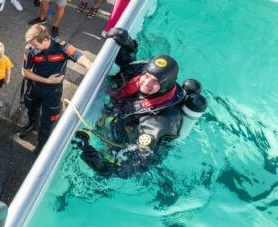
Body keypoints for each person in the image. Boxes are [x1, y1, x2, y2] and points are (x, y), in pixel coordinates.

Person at [74, 30, 204, 176]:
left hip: (131, 135)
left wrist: (103, 167)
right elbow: (128, 66)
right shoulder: (143, 71)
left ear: (165, 85)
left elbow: (138, 163)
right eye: (146, 76)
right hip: (120, 112)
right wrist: (129, 46)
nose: (146, 83)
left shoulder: (158, 123)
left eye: (154, 81)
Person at [19, 24, 92, 153]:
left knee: (48, 121)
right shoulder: (31, 50)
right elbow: (25, 72)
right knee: (31, 109)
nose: (33, 47)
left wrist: (90, 68)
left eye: (35, 45)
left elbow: (80, 57)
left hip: (53, 92)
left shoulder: (62, 47)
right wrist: (47, 80)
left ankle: (42, 145)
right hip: (35, 87)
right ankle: (32, 125)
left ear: (45, 40)